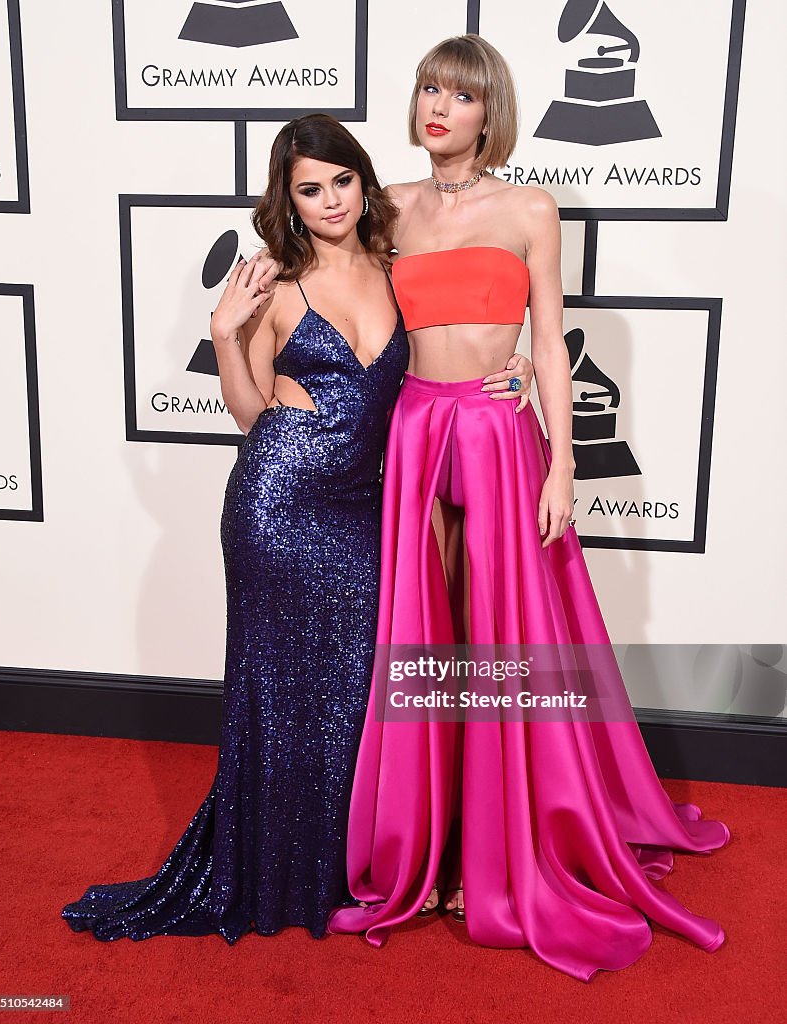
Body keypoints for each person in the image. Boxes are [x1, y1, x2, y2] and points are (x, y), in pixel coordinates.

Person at [312, 35, 731, 982]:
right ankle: (439, 842)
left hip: (501, 439)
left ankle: (503, 850)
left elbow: (548, 339)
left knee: (503, 639)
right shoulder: (383, 210)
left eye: (458, 96)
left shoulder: (531, 206)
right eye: (426, 89)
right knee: (432, 634)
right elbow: (335, 289)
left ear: (486, 111)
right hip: (415, 432)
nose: (437, 109)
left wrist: (562, 463)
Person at [62, 114, 411, 942]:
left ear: (364, 182)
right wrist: (225, 334)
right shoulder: (275, 287)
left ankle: (331, 867)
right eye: (309, 189)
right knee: (278, 692)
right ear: (287, 202)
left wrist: (503, 364)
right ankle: (270, 873)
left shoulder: (402, 272)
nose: (329, 201)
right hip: (276, 504)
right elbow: (253, 413)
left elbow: (439, 373)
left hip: (362, 508)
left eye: (342, 181)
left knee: (349, 692)